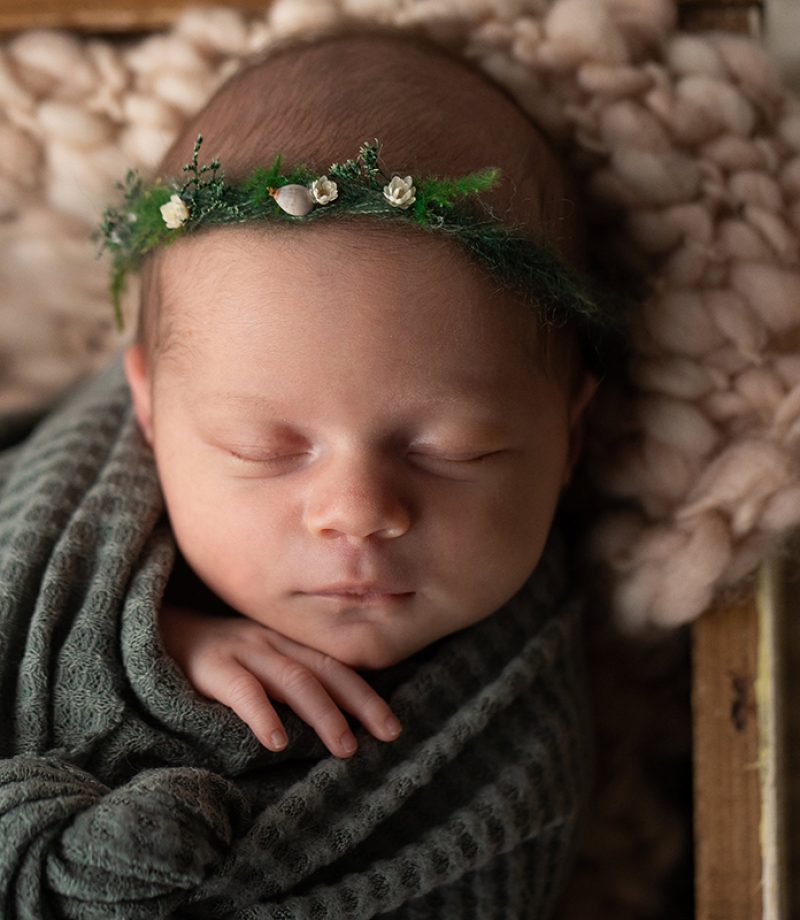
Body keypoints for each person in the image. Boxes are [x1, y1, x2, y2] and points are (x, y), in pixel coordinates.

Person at [116, 24, 600, 760]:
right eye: (264, 448)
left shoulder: (542, 696)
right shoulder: (85, 546)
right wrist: (145, 648)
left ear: (572, 436)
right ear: (149, 413)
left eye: (455, 450)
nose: (359, 513)